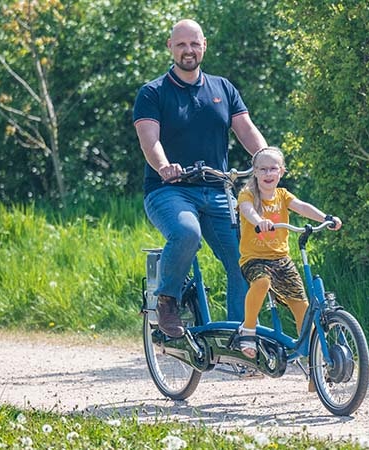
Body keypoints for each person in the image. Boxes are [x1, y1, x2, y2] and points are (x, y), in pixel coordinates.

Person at [133, 19, 268, 338]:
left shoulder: (223, 88)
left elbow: (246, 129)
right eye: (181, 44)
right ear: (170, 47)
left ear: (204, 45)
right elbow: (149, 140)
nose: (188, 50)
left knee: (244, 259)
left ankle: (243, 341)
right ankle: (167, 300)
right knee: (186, 232)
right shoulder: (153, 92)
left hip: (218, 189)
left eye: (194, 43)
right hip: (169, 191)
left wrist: (265, 159)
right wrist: (164, 166)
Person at [235, 147, 342, 358]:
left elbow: (302, 207)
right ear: (254, 172)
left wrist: (325, 218)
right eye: (262, 169)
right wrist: (259, 221)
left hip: (281, 260)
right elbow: (248, 212)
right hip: (254, 259)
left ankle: (316, 358)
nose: (268, 174)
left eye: (273, 169)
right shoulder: (246, 195)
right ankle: (248, 330)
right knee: (262, 282)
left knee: (301, 305)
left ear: (281, 172)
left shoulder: (283, 196)